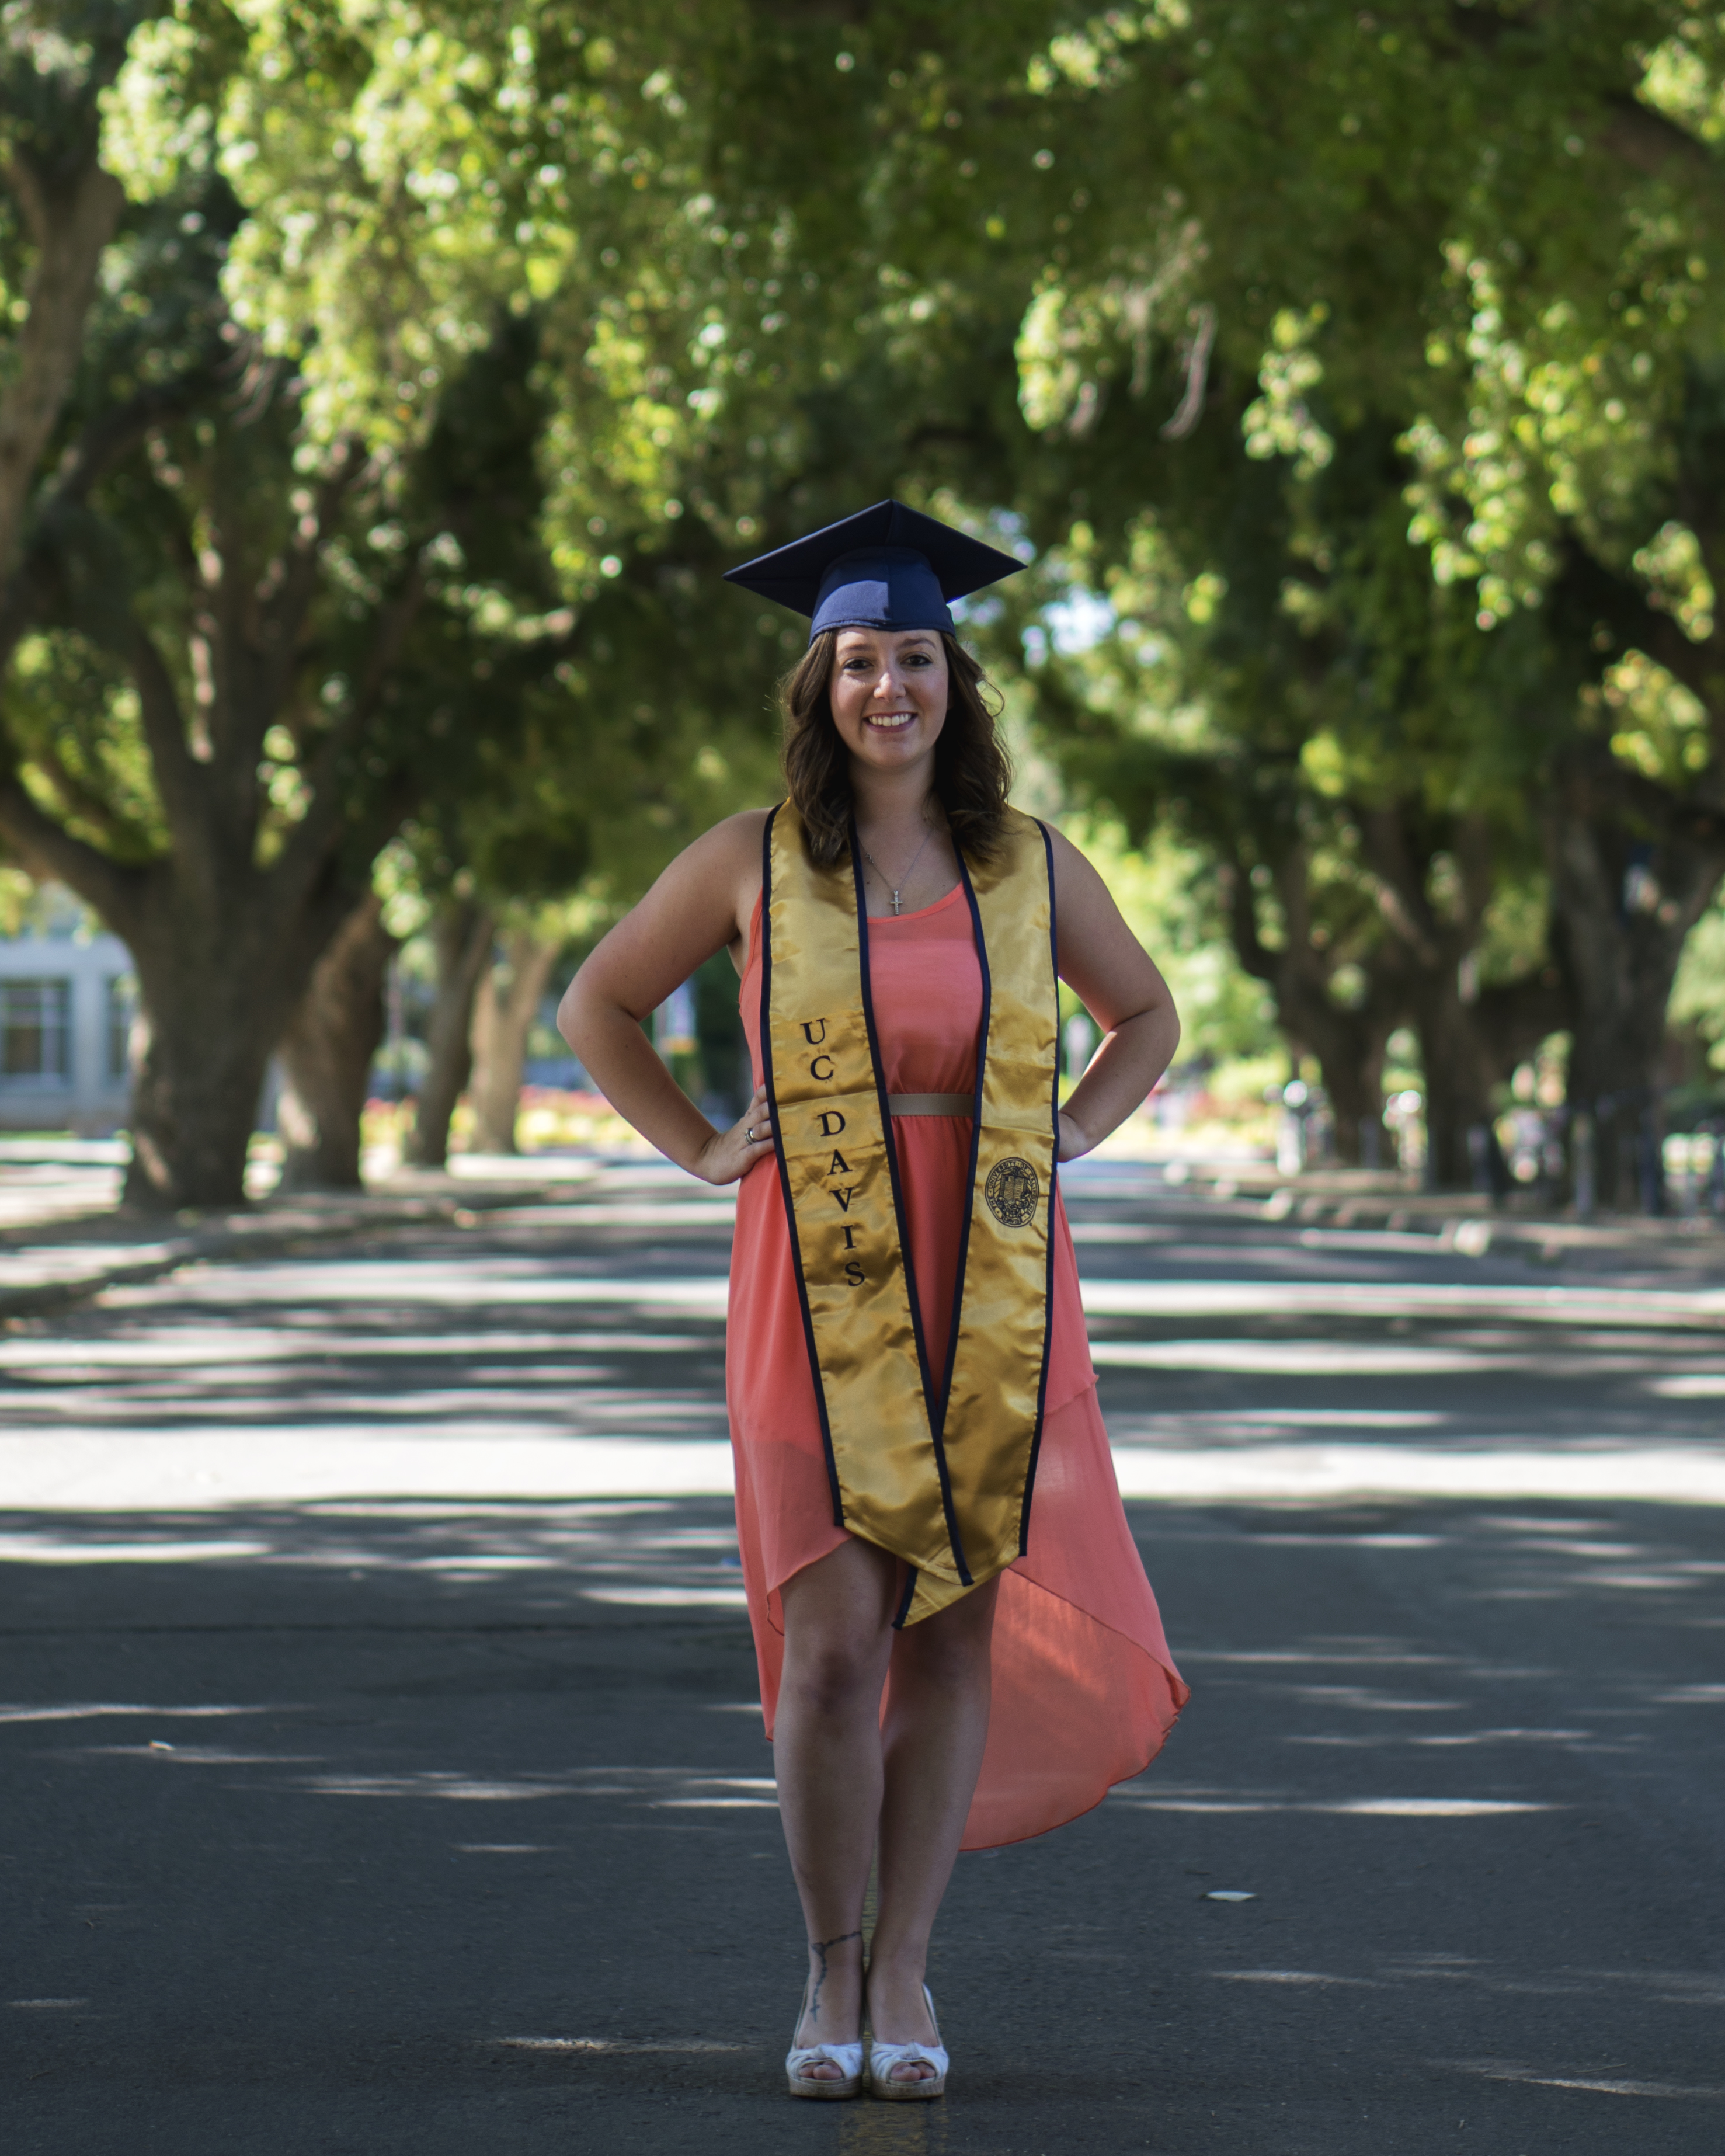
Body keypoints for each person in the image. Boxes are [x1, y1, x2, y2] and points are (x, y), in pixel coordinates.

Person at [559, 500, 1187, 2103]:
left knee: (952, 1628)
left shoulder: (1024, 862)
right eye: (858, 661)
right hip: (812, 1278)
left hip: (986, 1272)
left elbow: (1146, 1016)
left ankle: (905, 1965)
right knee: (836, 1643)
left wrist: (1073, 1129)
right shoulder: (751, 859)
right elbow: (599, 1002)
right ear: (818, 685)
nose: (888, 686)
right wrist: (706, 1145)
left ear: (953, 679)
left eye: (915, 655)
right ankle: (827, 1964)